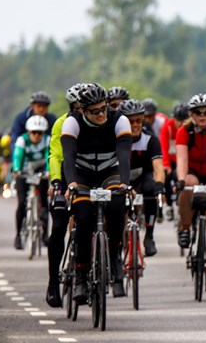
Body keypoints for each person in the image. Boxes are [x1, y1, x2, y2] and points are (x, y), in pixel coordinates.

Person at [61, 83, 132, 302]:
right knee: (82, 216)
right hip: (81, 174)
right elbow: (69, 157)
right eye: (95, 111)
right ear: (82, 110)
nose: (102, 114)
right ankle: (81, 275)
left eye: (104, 108)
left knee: (117, 206)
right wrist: (71, 183)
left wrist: (126, 184)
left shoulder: (119, 120)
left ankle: (115, 255)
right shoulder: (71, 123)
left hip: (109, 171)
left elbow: (123, 155)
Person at [176, 94, 206, 291]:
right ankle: (186, 226)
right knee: (188, 183)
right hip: (194, 172)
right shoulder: (185, 132)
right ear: (191, 114)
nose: (202, 116)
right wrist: (180, 179)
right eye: (197, 112)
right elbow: (181, 159)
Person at [44, 83, 83, 307]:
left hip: (86, 177)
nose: (82, 111)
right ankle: (52, 282)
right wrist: (57, 181)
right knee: (58, 227)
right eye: (78, 107)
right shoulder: (62, 123)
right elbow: (56, 154)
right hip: (65, 178)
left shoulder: (97, 122)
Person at [121, 100, 165, 257]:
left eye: (139, 120)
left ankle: (149, 236)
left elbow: (158, 167)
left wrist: (160, 185)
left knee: (151, 189)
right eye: (130, 121)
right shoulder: (115, 139)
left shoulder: (150, 139)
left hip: (142, 178)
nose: (135, 125)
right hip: (120, 179)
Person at [11, 115, 51, 250]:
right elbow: (17, 156)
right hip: (24, 170)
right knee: (22, 201)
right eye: (34, 132)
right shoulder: (22, 140)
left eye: (40, 132)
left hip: (40, 171)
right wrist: (16, 169)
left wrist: (49, 171)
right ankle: (17, 236)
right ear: (28, 131)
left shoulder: (47, 140)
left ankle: (45, 234)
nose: (36, 135)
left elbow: (48, 156)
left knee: (45, 201)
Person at [160, 103, 189, 221]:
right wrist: (166, 165)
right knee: (166, 175)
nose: (180, 124)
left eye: (184, 120)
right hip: (171, 159)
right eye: (178, 120)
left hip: (183, 159)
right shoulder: (167, 127)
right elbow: (164, 147)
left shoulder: (188, 128)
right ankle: (169, 205)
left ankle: (181, 198)